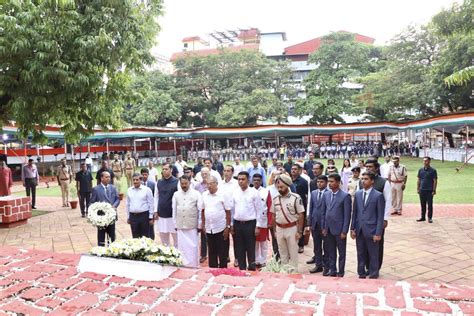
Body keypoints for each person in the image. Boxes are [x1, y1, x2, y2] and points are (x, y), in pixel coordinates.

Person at [351, 171, 385, 279]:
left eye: (366, 179)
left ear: (372, 181)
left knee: (373, 253)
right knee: (360, 252)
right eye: (362, 179)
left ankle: (374, 273)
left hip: (372, 229)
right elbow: (354, 213)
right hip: (359, 229)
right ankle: (361, 272)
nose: (363, 181)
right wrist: (352, 228)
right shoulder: (358, 194)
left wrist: (378, 233)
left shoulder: (378, 196)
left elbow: (380, 216)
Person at [231, 171, 267, 271]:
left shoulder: (254, 193)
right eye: (239, 179)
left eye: (243, 179)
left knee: (251, 247)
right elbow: (233, 209)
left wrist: (258, 226)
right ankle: (242, 269)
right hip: (237, 224)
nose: (241, 181)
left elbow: (259, 210)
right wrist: (231, 225)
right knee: (239, 247)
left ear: (248, 180)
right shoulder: (235, 192)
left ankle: (251, 268)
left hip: (250, 224)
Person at [270, 174, 305, 271]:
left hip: (292, 228)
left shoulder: (295, 198)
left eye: (282, 187)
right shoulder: (275, 198)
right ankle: (284, 272)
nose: (279, 189)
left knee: (293, 253)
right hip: (279, 228)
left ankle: (294, 273)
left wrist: (299, 231)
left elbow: (301, 214)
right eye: (278, 187)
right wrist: (274, 231)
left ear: (287, 186)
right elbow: (273, 215)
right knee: (282, 253)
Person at [363, 159, 391, 270]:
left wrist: (385, 218)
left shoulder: (383, 182)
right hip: (365, 218)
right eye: (367, 166)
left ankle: (375, 267)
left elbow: (388, 200)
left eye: (370, 166)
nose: (368, 168)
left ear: (376, 168)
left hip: (378, 218)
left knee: (377, 244)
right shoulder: (363, 180)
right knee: (364, 243)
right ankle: (367, 265)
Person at [321, 174, 351, 277]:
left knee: (341, 253)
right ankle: (332, 270)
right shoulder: (326, 195)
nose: (329, 183)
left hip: (339, 230)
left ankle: (341, 272)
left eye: (332, 181)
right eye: (329, 181)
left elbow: (347, 216)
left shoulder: (345, 196)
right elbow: (325, 212)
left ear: (338, 182)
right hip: (328, 229)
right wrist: (324, 227)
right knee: (331, 251)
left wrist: (344, 231)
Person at [173, 175, 203, 268]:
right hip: (180, 224)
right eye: (182, 183)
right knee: (182, 246)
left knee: (193, 246)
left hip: (192, 224)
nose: (184, 185)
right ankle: (183, 264)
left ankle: (194, 264)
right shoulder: (176, 194)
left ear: (189, 183)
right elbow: (174, 209)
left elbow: (200, 210)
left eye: (186, 183)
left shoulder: (196, 194)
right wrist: (175, 223)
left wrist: (199, 224)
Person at [202, 175, 231, 268]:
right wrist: (203, 225)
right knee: (211, 253)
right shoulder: (204, 195)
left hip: (221, 228)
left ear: (216, 184)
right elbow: (203, 210)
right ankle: (213, 273)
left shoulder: (223, 194)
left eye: (211, 184)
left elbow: (228, 212)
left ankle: (223, 275)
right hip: (209, 228)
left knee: (222, 253)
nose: (209, 186)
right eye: (207, 184)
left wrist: (228, 227)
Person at [306, 175, 329, 274]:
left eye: (322, 182)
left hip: (325, 225)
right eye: (318, 182)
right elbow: (311, 208)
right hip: (315, 224)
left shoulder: (329, 193)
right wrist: (310, 223)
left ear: (326, 183)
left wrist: (326, 226)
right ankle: (318, 264)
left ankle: (327, 265)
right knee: (317, 246)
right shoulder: (314, 193)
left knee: (327, 246)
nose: (319, 184)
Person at [90, 171, 120, 246]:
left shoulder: (113, 187)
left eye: (109, 177)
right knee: (101, 237)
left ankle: (112, 252)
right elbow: (91, 203)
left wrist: (114, 206)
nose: (108, 178)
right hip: (101, 217)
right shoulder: (96, 189)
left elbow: (117, 199)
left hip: (111, 216)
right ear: (101, 178)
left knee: (112, 237)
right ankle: (101, 252)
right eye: (106, 177)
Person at [155, 163, 179, 246]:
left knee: (176, 239)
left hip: (173, 215)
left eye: (166, 169)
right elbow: (156, 197)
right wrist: (155, 211)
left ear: (171, 170)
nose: (164, 171)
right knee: (164, 240)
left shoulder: (177, 182)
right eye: (163, 169)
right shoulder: (159, 182)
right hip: (161, 214)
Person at [252, 174, 272, 268]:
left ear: (261, 181)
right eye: (254, 180)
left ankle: (263, 261)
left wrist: (269, 221)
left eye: (258, 180)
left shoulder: (266, 191)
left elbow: (269, 206)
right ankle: (256, 260)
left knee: (263, 242)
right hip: (252, 220)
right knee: (255, 242)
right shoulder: (250, 191)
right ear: (252, 181)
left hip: (263, 220)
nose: (256, 181)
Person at [126, 173, 154, 238]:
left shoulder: (147, 190)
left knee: (145, 237)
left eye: (137, 180)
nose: (135, 181)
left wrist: (150, 217)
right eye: (134, 180)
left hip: (144, 216)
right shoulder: (129, 190)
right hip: (133, 217)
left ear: (141, 180)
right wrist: (128, 217)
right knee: (135, 237)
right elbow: (127, 204)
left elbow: (151, 204)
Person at [290, 164, 308, 253]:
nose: (293, 170)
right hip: (290, 206)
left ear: (299, 170)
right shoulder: (288, 180)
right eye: (292, 169)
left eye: (295, 169)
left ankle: (301, 245)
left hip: (300, 207)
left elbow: (306, 196)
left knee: (300, 225)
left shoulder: (303, 181)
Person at [417, 157, 437, 223]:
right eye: (424, 161)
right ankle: (423, 217)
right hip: (422, 189)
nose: (425, 162)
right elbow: (419, 180)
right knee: (422, 204)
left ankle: (429, 217)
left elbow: (435, 181)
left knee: (430, 205)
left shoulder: (433, 170)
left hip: (429, 190)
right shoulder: (420, 170)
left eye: (426, 161)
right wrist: (418, 188)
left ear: (429, 162)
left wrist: (434, 190)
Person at [141, 168, 157, 239]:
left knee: (151, 226)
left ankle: (151, 239)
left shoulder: (152, 184)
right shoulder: (138, 184)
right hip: (142, 209)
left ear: (148, 175)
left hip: (150, 208)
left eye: (146, 174)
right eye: (143, 174)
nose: (144, 176)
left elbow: (154, 196)